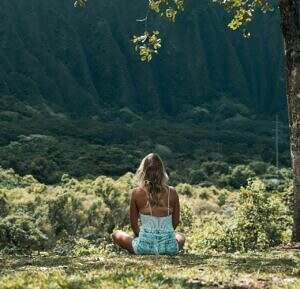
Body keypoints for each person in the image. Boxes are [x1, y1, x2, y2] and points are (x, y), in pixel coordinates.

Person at [112, 153, 185, 255]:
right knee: (181, 236)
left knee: (116, 234)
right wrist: (164, 237)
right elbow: (175, 222)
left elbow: (134, 225)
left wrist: (144, 238)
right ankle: (165, 247)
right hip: (169, 247)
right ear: (161, 171)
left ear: (143, 171)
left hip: (144, 247)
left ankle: (143, 246)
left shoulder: (136, 192)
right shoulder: (172, 192)